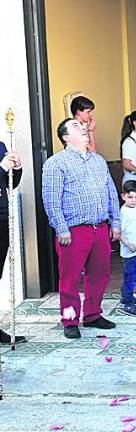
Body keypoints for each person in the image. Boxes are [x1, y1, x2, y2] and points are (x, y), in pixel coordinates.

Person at [42, 118, 121, 339]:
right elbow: (51, 200)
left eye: (82, 125)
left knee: (100, 274)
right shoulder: (55, 163)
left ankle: (93, 315)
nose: (83, 128)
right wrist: (61, 227)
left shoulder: (98, 161)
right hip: (74, 230)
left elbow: (111, 194)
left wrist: (115, 222)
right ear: (66, 137)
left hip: (100, 228)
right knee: (70, 278)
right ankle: (70, 319)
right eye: (76, 126)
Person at [0, 140, 25, 344]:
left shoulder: (0, 146)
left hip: (1, 216)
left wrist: (16, 167)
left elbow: (10, 183)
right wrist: (2, 166)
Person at [118, 180, 136, 317]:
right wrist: (128, 244)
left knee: (133, 275)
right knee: (130, 277)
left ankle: (127, 296)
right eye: (130, 197)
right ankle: (128, 302)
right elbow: (119, 232)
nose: (134, 200)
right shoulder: (123, 212)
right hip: (130, 251)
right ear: (123, 196)